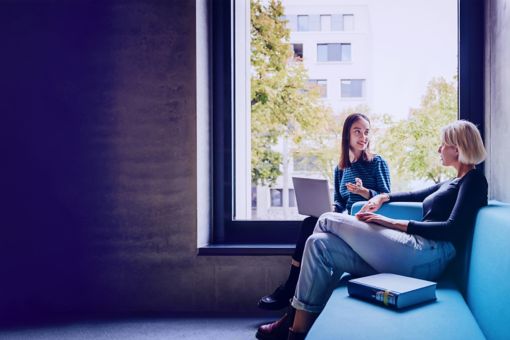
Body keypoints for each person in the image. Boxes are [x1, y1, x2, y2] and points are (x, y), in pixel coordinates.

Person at [257, 119, 488, 340]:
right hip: (414, 254)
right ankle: (295, 330)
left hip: (428, 255)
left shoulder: (474, 180)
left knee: (327, 219)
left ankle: (289, 312)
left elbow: (452, 229)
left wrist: (386, 222)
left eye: (443, 144)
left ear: (457, 149)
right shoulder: (452, 181)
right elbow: (414, 195)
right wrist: (382, 197)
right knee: (318, 245)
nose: (439, 149)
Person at [256, 113, 391, 339]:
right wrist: (333, 209)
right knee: (310, 222)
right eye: (357, 131)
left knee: (315, 235)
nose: (363, 136)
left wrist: (364, 193)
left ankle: (289, 301)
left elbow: (388, 197)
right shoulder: (341, 168)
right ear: (347, 135)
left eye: (366, 131)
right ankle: (291, 294)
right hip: (344, 221)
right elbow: (339, 200)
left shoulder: (377, 162)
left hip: (365, 226)